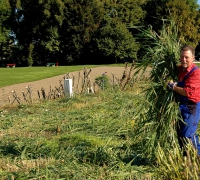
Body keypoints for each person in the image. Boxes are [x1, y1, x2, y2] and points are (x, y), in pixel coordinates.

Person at [168, 45, 200, 156]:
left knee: (187, 135)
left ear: (193, 58)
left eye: (186, 57)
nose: (184, 60)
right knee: (181, 134)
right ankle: (186, 158)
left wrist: (173, 87)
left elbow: (188, 92)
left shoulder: (196, 73)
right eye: (182, 57)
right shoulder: (180, 70)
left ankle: (196, 158)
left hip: (191, 106)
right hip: (181, 105)